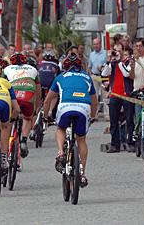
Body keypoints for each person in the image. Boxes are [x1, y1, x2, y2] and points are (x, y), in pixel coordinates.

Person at [43, 53, 97, 187]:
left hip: (65, 106)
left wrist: (45, 116)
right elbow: (94, 100)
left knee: (60, 128)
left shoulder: (60, 77)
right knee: (81, 139)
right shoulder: (87, 77)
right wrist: (94, 115)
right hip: (83, 108)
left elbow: (48, 100)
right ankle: (82, 174)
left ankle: (61, 151)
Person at [4, 53, 42, 158]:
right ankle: (24, 140)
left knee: (9, 119)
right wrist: (36, 108)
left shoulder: (7, 69)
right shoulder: (33, 69)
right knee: (27, 118)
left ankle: (7, 141)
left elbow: (2, 84)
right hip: (28, 96)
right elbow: (38, 92)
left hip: (13, 96)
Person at [101, 44, 135, 153]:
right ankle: (115, 144)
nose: (117, 53)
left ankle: (130, 143)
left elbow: (126, 73)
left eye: (119, 51)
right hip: (115, 95)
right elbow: (104, 73)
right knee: (113, 121)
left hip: (126, 94)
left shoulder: (127, 62)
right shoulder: (113, 63)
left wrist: (119, 61)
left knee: (129, 120)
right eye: (115, 51)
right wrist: (108, 61)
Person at [88, 38, 108, 119]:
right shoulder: (91, 54)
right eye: (94, 44)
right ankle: (94, 115)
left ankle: (107, 115)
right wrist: (90, 76)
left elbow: (109, 64)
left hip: (103, 77)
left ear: (100, 44)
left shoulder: (105, 53)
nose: (96, 46)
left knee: (105, 96)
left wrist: (103, 67)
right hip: (94, 76)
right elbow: (89, 66)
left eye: (97, 44)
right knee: (94, 96)